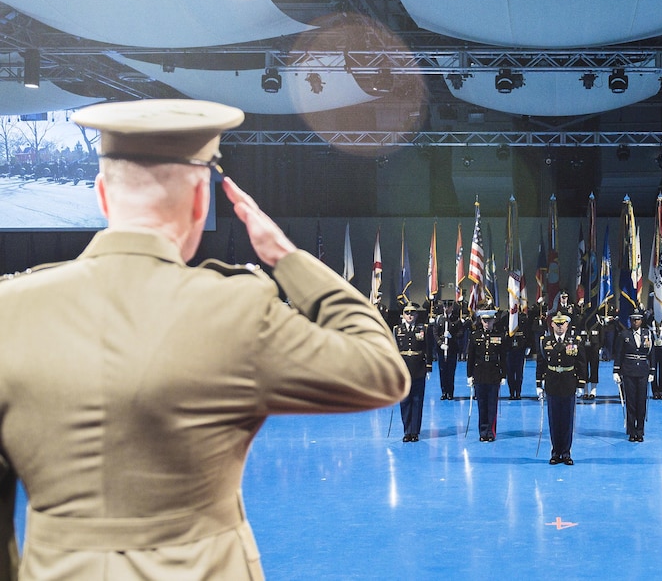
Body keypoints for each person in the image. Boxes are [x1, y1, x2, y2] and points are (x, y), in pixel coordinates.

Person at [0, 99, 410, 580]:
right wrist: (286, 257)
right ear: (201, 201)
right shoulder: (235, 309)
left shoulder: (10, 310)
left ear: (102, 196)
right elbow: (381, 372)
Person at [536, 312, 587, 465]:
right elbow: (541, 363)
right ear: (552, 325)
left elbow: (581, 363)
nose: (559, 327)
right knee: (554, 420)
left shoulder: (575, 341)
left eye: (562, 324)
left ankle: (566, 452)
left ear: (567, 325)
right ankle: (555, 452)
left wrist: (581, 384)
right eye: (556, 324)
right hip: (552, 382)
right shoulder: (545, 341)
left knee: (567, 420)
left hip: (568, 382)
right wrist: (539, 383)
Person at [466, 309, 508, 441]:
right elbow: (471, 357)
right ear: (481, 321)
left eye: (489, 320)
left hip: (494, 373)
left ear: (493, 321)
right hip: (479, 373)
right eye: (484, 320)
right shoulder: (474, 336)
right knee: (482, 404)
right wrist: (469, 375)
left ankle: (491, 432)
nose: (487, 323)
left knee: (492, 405)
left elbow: (503, 357)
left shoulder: (500, 336)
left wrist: (503, 375)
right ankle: (482, 432)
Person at [613, 309, 653, 442]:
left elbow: (651, 353)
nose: (635, 322)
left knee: (641, 401)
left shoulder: (648, 334)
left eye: (638, 319)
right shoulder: (624, 334)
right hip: (628, 370)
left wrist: (652, 370)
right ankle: (631, 431)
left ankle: (640, 431)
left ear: (641, 320)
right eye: (633, 319)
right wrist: (616, 371)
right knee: (630, 401)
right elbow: (618, 353)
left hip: (642, 369)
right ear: (630, 321)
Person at [395, 302, 432, 442]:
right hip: (403, 369)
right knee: (404, 401)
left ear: (416, 315)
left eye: (412, 313)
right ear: (403, 315)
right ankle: (407, 431)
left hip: (418, 368)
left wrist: (428, 366)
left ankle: (414, 431)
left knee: (417, 400)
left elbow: (428, 348)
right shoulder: (397, 329)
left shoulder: (423, 328)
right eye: (407, 313)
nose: (410, 315)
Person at [431, 299, 465, 400]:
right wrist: (440, 343)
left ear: (452, 308)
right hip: (441, 350)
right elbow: (435, 333)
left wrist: (452, 336)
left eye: (448, 307)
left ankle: (450, 392)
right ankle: (444, 392)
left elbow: (461, 333)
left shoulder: (456, 320)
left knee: (450, 372)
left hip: (452, 349)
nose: (446, 308)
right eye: (445, 307)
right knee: (442, 371)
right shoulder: (439, 319)